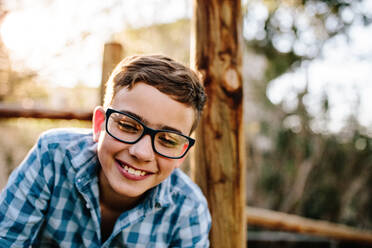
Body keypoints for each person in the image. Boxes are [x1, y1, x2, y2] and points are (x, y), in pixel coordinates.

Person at [0, 55, 211, 247]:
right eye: (128, 126)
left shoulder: (188, 210)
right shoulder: (52, 156)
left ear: (182, 153)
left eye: (167, 139)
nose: (142, 152)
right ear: (100, 124)